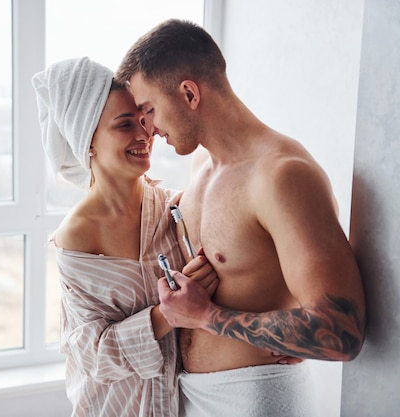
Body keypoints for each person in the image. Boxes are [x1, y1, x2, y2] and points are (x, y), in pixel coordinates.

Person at [116, 19, 367, 417]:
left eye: (149, 110)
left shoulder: (282, 176)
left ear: (188, 93)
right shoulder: (201, 163)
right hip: (191, 395)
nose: (148, 128)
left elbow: (343, 332)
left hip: (257, 400)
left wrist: (206, 316)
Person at [32, 57, 219, 417]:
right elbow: (94, 356)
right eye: (124, 124)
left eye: (143, 119)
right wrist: (168, 314)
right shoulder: (77, 236)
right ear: (88, 143)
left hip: (185, 404)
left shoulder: (174, 209)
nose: (144, 134)